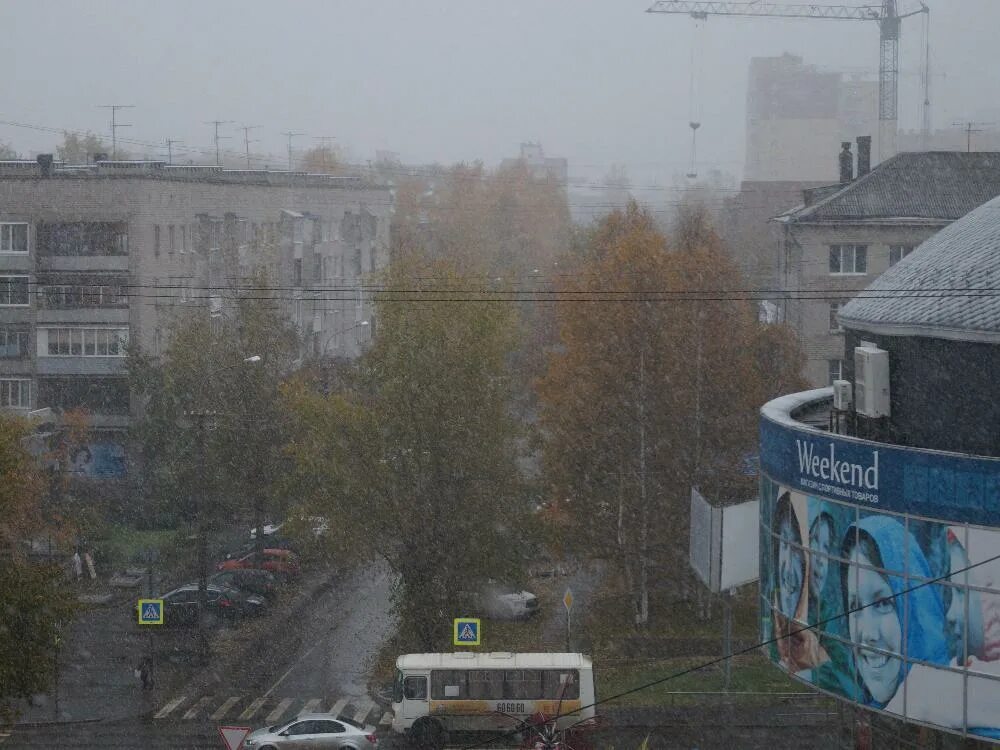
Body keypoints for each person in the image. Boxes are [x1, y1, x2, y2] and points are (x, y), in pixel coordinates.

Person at [840, 516, 949, 710]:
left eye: (883, 603)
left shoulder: (957, 704)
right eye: (855, 607)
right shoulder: (866, 705)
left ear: (914, 607)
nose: (868, 634)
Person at [772, 491, 828, 673]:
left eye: (796, 548)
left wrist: (815, 657)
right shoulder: (771, 633)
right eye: (784, 545)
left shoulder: (821, 642)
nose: (788, 565)